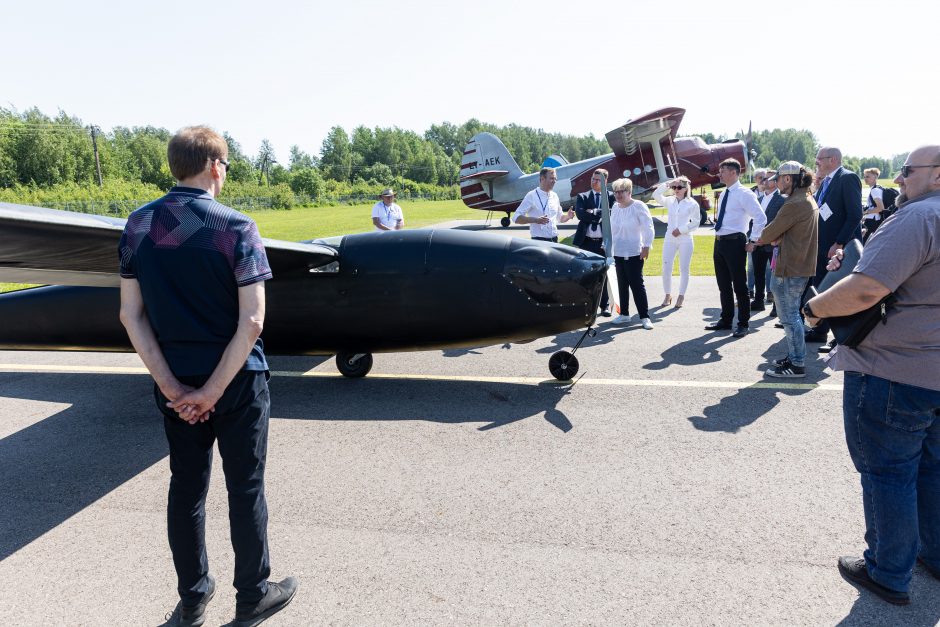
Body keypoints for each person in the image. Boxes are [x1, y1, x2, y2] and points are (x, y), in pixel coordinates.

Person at [118, 126, 297, 627]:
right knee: (245, 488)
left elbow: (131, 316)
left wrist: (177, 390)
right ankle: (253, 595)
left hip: (174, 381)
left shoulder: (138, 225)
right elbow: (254, 320)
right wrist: (213, 391)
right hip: (237, 381)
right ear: (216, 166)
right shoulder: (236, 226)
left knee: (186, 488)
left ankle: (194, 596)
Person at [803, 145, 940, 605]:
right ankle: (932, 554)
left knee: (888, 473)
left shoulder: (919, 218)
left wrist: (815, 309)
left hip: (896, 368)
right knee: (932, 469)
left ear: (938, 176)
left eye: (909, 171)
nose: (900, 179)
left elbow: (865, 289)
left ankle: (888, 569)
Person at [755, 162, 818, 377]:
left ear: (789, 179)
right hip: (798, 266)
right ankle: (794, 357)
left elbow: (766, 235)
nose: (776, 183)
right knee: (792, 317)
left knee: (789, 318)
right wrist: (777, 238)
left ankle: (797, 363)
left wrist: (774, 238)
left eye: (779, 178)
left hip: (790, 267)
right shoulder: (805, 198)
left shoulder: (795, 203)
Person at [806, 147, 863, 348]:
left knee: (841, 292)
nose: (817, 163)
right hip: (823, 248)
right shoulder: (826, 182)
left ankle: (841, 337)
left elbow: (855, 215)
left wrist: (839, 242)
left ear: (833, 159)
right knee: (823, 289)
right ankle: (820, 331)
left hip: (840, 249)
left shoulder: (847, 178)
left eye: (819, 159)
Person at [705, 158, 767, 338]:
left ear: (733, 172)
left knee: (739, 285)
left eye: (722, 170)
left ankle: (743, 323)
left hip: (735, 242)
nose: (719, 174)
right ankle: (726, 319)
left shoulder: (744, 194)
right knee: (723, 285)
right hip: (720, 242)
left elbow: (760, 218)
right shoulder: (725, 193)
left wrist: (753, 240)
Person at [609, 178, 654, 329]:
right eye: (615, 192)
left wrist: (647, 246)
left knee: (636, 285)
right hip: (618, 252)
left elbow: (648, 227)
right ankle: (624, 315)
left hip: (634, 252)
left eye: (621, 191)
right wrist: (608, 245)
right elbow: (612, 229)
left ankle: (644, 316)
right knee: (622, 284)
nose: (617, 195)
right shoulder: (615, 207)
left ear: (629, 192)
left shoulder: (639, 206)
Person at [574, 168, 616, 316]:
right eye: (592, 179)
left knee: (603, 274)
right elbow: (580, 214)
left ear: (605, 182)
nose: (593, 182)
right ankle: (585, 305)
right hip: (586, 242)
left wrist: (593, 212)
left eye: (597, 180)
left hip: (603, 243)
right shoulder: (583, 196)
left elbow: (612, 214)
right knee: (586, 275)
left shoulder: (611, 197)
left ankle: (603, 305)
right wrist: (599, 216)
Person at [652, 176, 699, 308]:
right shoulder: (670, 201)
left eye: (679, 187)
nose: (676, 190)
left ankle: (681, 296)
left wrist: (682, 229)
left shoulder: (692, 203)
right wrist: (668, 184)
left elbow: (696, 223)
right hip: (669, 238)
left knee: (684, 269)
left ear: (686, 189)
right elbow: (656, 194)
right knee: (666, 267)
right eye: (675, 187)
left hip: (685, 239)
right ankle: (667, 294)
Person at [513, 167, 574, 242]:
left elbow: (560, 218)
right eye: (551, 178)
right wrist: (535, 220)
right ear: (542, 179)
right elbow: (516, 218)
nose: (554, 181)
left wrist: (568, 216)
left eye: (555, 179)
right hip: (539, 241)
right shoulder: (531, 195)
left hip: (554, 240)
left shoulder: (554, 196)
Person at [759, 171, 787, 317]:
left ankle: (777, 307)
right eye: (762, 178)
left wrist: (772, 237)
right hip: (758, 242)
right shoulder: (759, 198)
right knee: (758, 274)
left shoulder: (782, 199)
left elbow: (779, 222)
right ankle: (758, 300)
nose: (764, 181)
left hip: (774, 242)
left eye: (767, 179)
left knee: (776, 276)